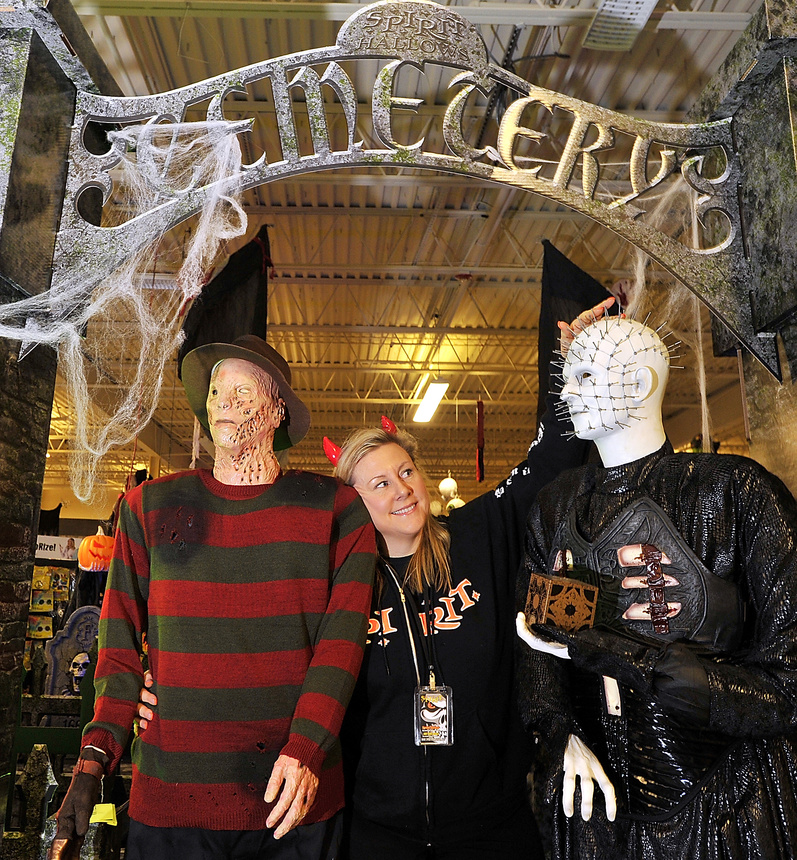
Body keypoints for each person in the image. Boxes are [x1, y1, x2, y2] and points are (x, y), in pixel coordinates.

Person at [134, 301, 616, 860]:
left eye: (406, 472)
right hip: (376, 831)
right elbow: (262, 650)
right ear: (354, 506)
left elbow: (550, 460)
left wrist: (572, 363)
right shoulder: (334, 584)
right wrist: (158, 683)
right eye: (379, 484)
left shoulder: (479, 536)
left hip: (490, 825)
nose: (401, 490)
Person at [49, 336, 376, 860]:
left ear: (276, 412)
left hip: (291, 801)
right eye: (216, 390)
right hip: (170, 802)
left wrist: (307, 749)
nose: (223, 400)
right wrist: (93, 760)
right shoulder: (148, 508)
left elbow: (340, 645)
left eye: (242, 390)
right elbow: (118, 646)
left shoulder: (335, 510)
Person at [516, 316, 797, 859]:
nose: (569, 392)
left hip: (725, 809)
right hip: (594, 812)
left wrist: (617, 654)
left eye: (589, 376)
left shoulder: (736, 492)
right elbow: (534, 644)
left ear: (641, 384)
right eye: (567, 376)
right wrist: (559, 731)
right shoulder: (555, 507)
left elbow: (787, 687)